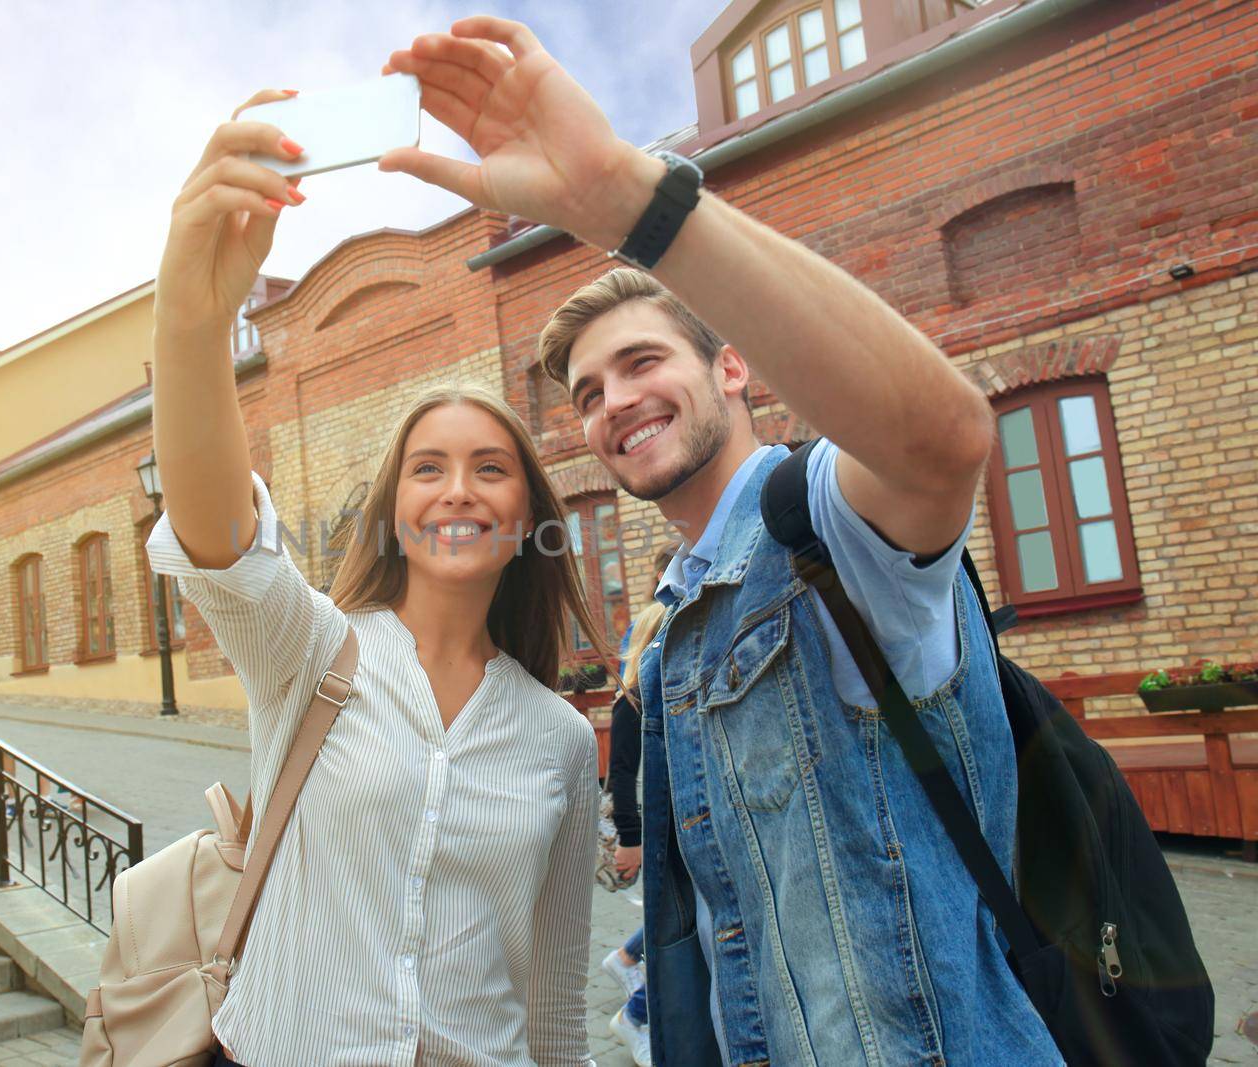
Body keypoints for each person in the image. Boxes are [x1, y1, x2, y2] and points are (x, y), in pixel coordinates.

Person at [434, 23, 1062, 1059]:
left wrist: (634, 206)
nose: (615, 402)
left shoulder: (821, 521)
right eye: (589, 393)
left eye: (642, 362)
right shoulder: (682, 609)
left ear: (730, 369)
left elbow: (943, 442)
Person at [144, 73, 619, 1065]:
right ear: (395, 511)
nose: (457, 489)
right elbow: (217, 530)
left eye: (490, 468)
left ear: (525, 512)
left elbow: (554, 990)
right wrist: (193, 312)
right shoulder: (309, 651)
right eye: (428, 468)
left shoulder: (558, 742)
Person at [600, 550, 672, 1067]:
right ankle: (638, 1013)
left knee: (679, 916)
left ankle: (627, 959)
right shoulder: (637, 677)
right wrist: (631, 836)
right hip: (664, 820)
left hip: (684, 814)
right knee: (677, 924)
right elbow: (621, 771)